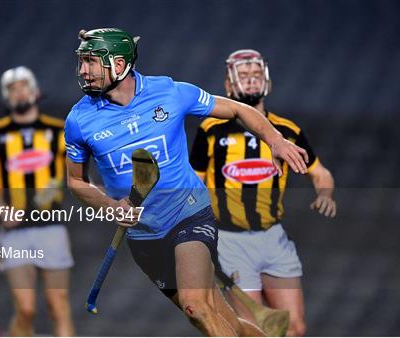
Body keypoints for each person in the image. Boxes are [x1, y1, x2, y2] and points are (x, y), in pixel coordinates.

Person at [65, 28, 309, 337]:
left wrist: (274, 140)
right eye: (81, 61)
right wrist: (110, 206)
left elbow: (237, 109)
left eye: (90, 61)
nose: (83, 70)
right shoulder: (79, 120)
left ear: (118, 64)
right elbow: (76, 181)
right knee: (220, 319)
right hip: (145, 240)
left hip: (189, 215)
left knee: (196, 304)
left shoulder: (169, 92)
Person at [189, 49, 337, 336]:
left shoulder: (287, 130)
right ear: (229, 85)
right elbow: (194, 182)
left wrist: (325, 194)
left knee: (293, 327)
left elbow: (319, 172)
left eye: (256, 75)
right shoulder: (211, 130)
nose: (252, 81)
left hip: (273, 237)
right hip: (231, 241)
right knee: (255, 329)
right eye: (244, 76)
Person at [0, 66, 75, 336]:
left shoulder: (59, 131)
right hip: (15, 232)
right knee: (26, 308)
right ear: (6, 96)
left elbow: (75, 174)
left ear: (35, 91)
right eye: (12, 89)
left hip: (51, 227)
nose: (19, 93)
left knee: (59, 305)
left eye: (23, 86)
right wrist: (2, 209)